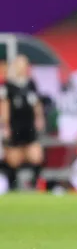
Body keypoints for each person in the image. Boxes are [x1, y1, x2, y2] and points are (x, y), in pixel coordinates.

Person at [0, 55, 45, 191]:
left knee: (36, 156)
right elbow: (5, 107)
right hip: (15, 127)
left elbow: (36, 103)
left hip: (29, 127)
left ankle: (34, 183)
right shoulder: (8, 86)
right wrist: (5, 125)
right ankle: (12, 185)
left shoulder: (31, 84)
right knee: (13, 159)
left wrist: (39, 118)